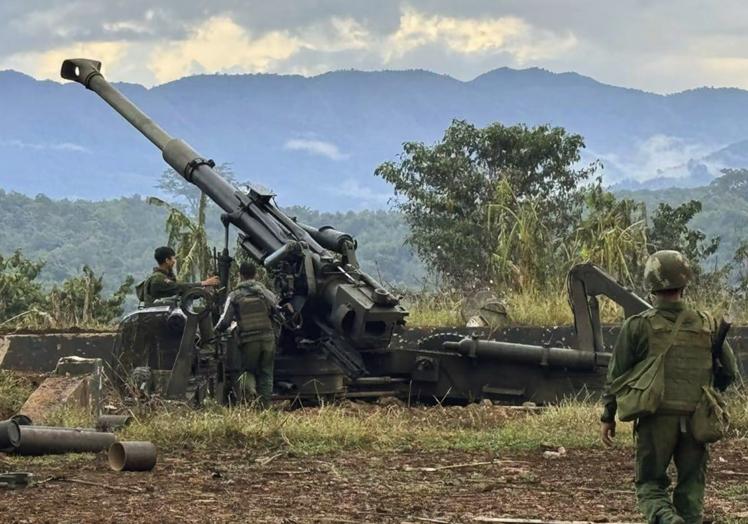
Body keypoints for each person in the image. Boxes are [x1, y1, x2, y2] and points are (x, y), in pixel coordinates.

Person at [600, 250, 739, 524]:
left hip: (656, 418)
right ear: (685, 282)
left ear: (651, 283)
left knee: (649, 484)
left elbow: (616, 376)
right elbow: (730, 372)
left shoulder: (637, 326)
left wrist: (608, 416)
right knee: (690, 489)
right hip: (697, 419)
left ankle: (665, 518)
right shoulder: (707, 323)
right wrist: (711, 390)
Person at [214, 261, 278, 408]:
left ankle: (250, 401)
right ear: (256, 275)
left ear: (240, 275)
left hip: (249, 340)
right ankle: (265, 407)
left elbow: (225, 321)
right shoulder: (266, 293)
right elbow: (277, 310)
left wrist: (214, 333)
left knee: (247, 371)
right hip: (268, 338)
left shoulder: (235, 295)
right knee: (266, 372)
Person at [141, 246, 220, 350]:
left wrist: (203, 291)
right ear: (167, 260)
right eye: (173, 258)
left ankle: (206, 343)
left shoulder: (165, 276)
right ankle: (208, 346)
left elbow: (185, 292)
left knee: (202, 311)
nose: (174, 261)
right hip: (160, 319)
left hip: (165, 315)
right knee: (199, 313)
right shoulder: (158, 279)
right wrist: (203, 283)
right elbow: (179, 287)